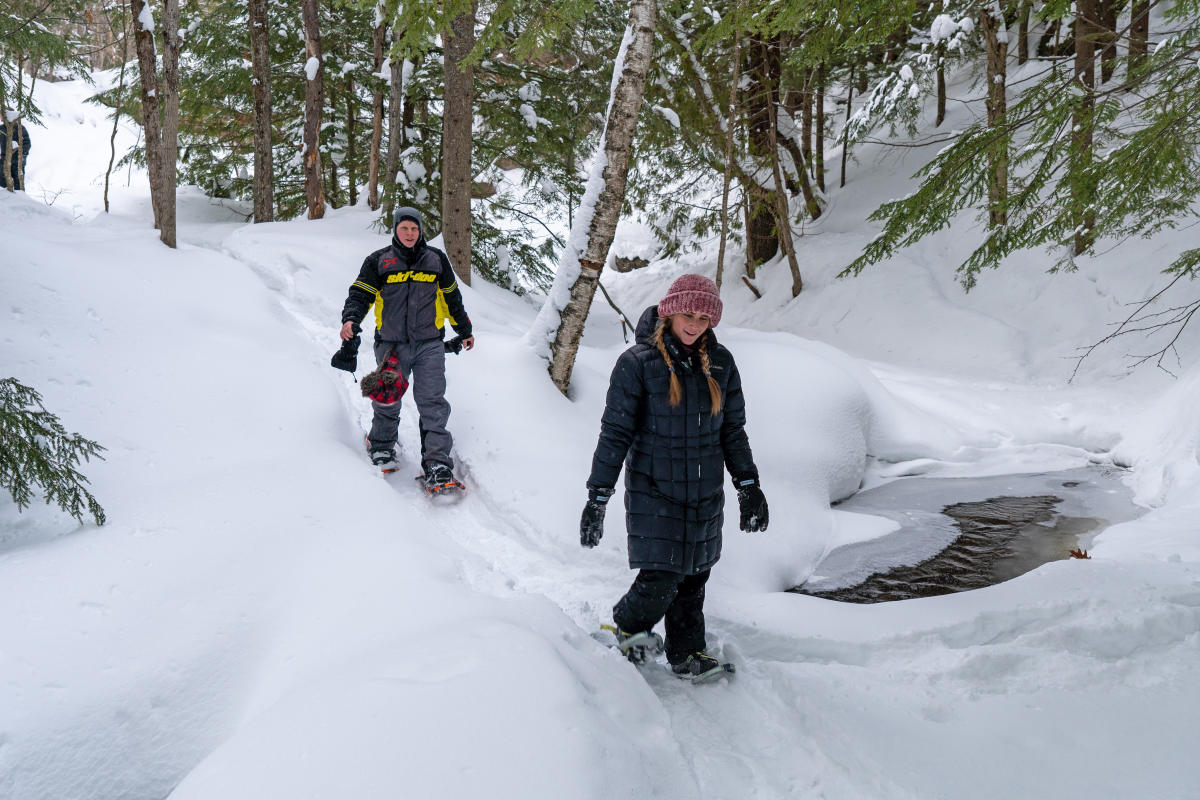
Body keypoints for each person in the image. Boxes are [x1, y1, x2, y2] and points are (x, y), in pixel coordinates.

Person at [580, 273, 769, 679]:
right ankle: (628, 626)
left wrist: (748, 487)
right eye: (688, 314)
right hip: (653, 488)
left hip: (704, 490)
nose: (695, 324)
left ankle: (687, 653)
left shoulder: (722, 363)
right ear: (670, 311)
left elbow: (732, 432)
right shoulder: (638, 364)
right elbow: (615, 432)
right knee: (663, 574)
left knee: (694, 576)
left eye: (704, 318)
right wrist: (598, 496)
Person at [338, 206, 475, 488]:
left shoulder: (435, 260)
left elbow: (452, 297)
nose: (410, 234)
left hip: (430, 345)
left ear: (420, 230)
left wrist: (464, 330)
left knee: (433, 402)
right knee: (388, 397)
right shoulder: (379, 261)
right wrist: (351, 319)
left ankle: (437, 463)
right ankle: (381, 444)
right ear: (396, 230)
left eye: (414, 229)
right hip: (391, 344)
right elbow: (360, 294)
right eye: (405, 228)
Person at [0, 118, 30, 191]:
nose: (1, 118)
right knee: (2, 183)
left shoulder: (21, 128)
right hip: (4, 160)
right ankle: (6, 200)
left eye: (2, 116)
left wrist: (22, 155)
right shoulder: (1, 129)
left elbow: (27, 143)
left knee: (18, 185)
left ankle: (20, 200)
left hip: (18, 161)